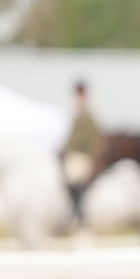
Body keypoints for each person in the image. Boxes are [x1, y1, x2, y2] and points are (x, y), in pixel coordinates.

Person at [60, 80, 102, 223]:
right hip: (72, 153)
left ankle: (78, 212)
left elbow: (90, 138)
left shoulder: (89, 115)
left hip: (83, 155)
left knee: (72, 177)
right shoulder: (76, 114)